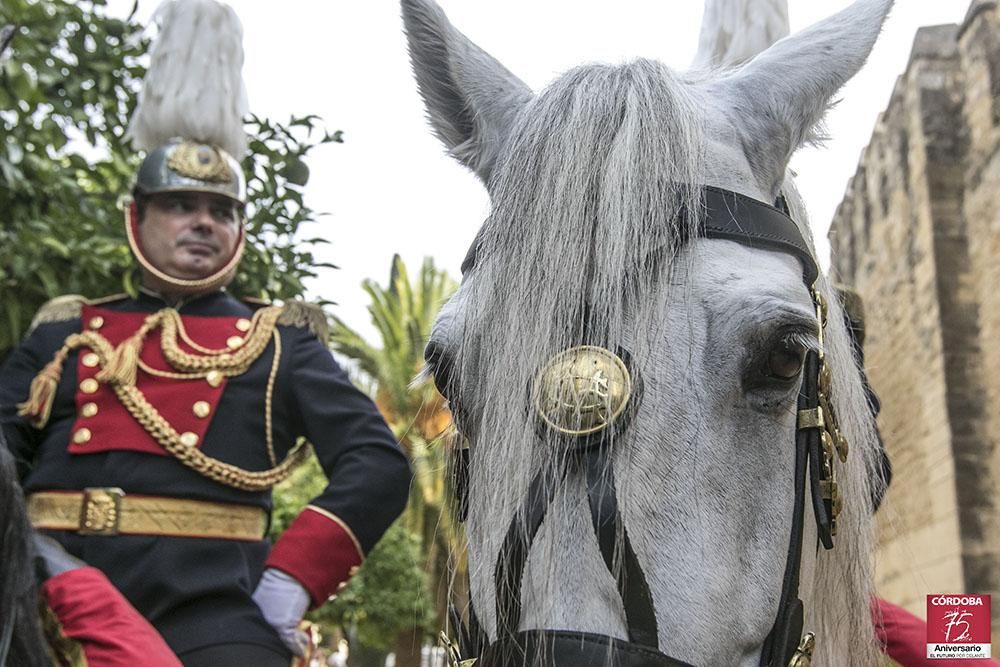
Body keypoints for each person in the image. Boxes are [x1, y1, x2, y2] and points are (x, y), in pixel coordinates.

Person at [0, 1, 410, 664]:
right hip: (43, 585)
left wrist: (288, 582)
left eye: (221, 210)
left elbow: (378, 463)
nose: (202, 222)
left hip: (210, 615)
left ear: (240, 231)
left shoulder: (279, 343)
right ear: (138, 218)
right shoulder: (64, 332)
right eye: (180, 204)